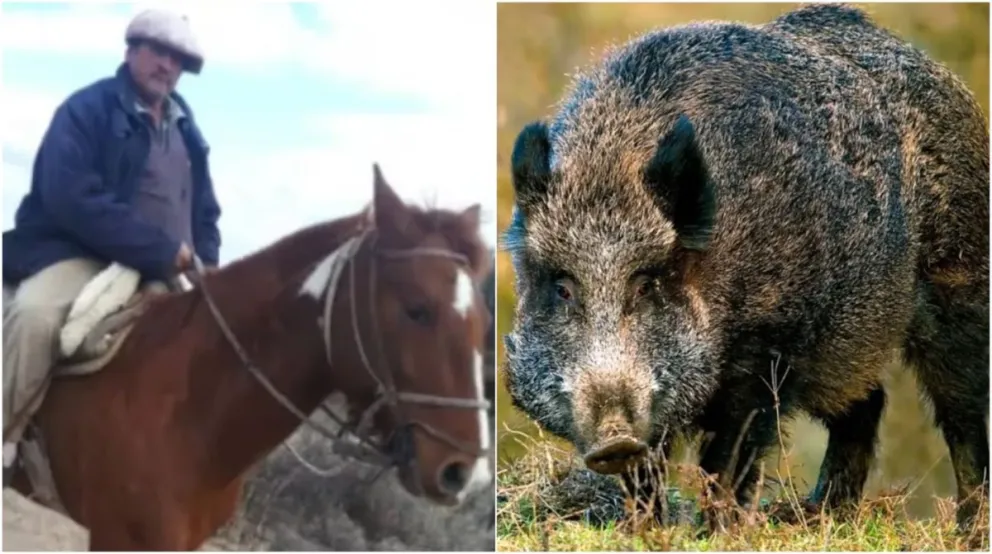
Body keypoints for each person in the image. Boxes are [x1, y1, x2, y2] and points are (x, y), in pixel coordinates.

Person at [2, 8, 222, 479]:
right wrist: (160, 249)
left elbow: (205, 210)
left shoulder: (188, 130)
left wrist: (211, 268)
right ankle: (5, 436)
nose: (167, 65)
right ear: (131, 52)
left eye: (178, 59)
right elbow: (71, 197)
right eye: (159, 52)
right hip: (78, 253)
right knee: (35, 315)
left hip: (161, 271)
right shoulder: (86, 109)